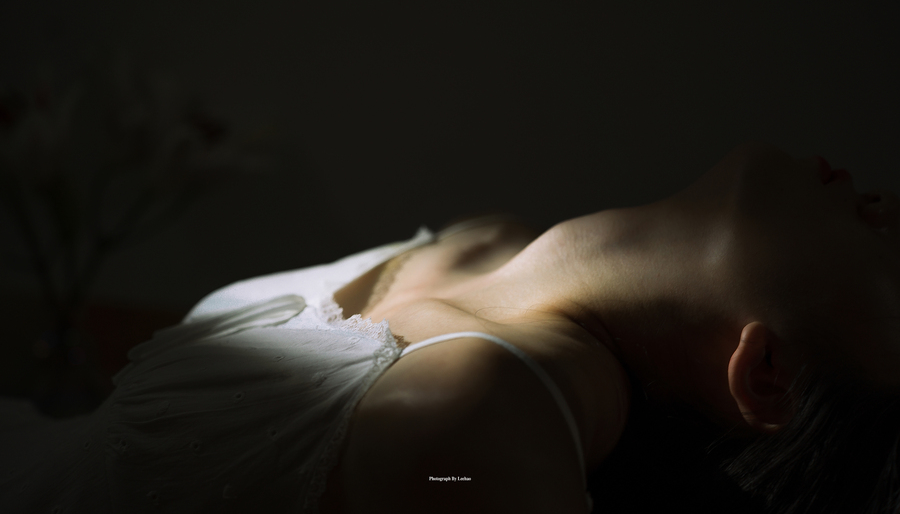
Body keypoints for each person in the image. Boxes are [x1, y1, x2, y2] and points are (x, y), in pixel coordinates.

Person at [1, 140, 898, 513]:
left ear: (767, 374)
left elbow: (456, 478)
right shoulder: (491, 241)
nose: (889, 206)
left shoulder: (494, 424)